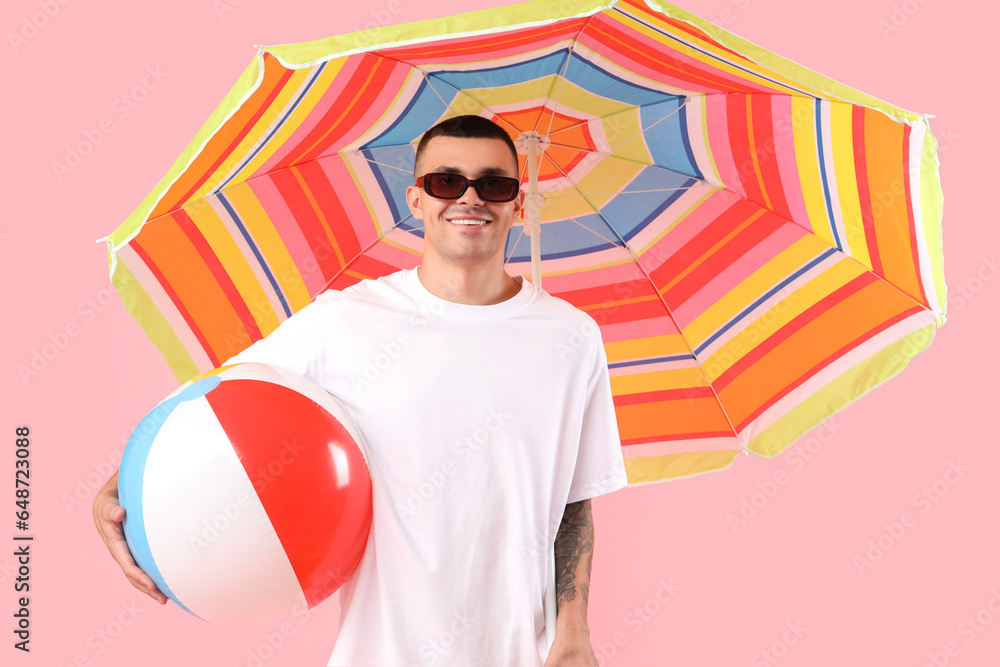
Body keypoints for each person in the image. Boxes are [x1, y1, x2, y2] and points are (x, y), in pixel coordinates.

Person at [93, 115, 629, 666]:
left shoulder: (571, 337)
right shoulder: (346, 321)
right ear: (416, 199)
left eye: (494, 184)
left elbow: (573, 502)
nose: (471, 198)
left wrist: (574, 636)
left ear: (519, 204)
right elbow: (213, 405)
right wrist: (117, 489)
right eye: (447, 182)